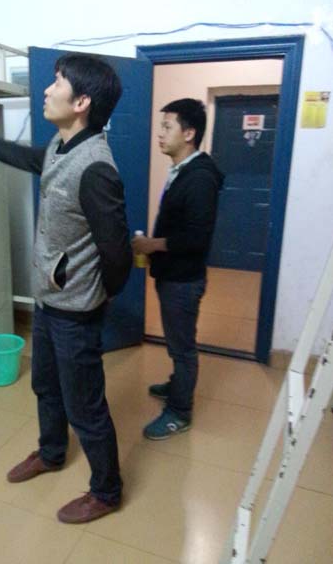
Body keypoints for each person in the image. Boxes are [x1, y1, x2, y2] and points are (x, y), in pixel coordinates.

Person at [0, 54, 132, 523]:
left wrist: (97, 299)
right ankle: (51, 453)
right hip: (49, 304)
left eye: (58, 83)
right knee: (45, 386)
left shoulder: (96, 168)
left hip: (75, 313)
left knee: (85, 406)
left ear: (82, 102)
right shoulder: (60, 145)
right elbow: (29, 158)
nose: (48, 91)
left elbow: (118, 254)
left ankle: (107, 491)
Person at [132, 98, 224, 440]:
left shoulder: (199, 178)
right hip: (173, 276)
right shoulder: (184, 170)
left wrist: (152, 245)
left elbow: (196, 238)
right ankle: (176, 385)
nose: (160, 133)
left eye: (167, 127)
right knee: (176, 342)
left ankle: (179, 413)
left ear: (189, 133)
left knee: (183, 349)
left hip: (183, 281)